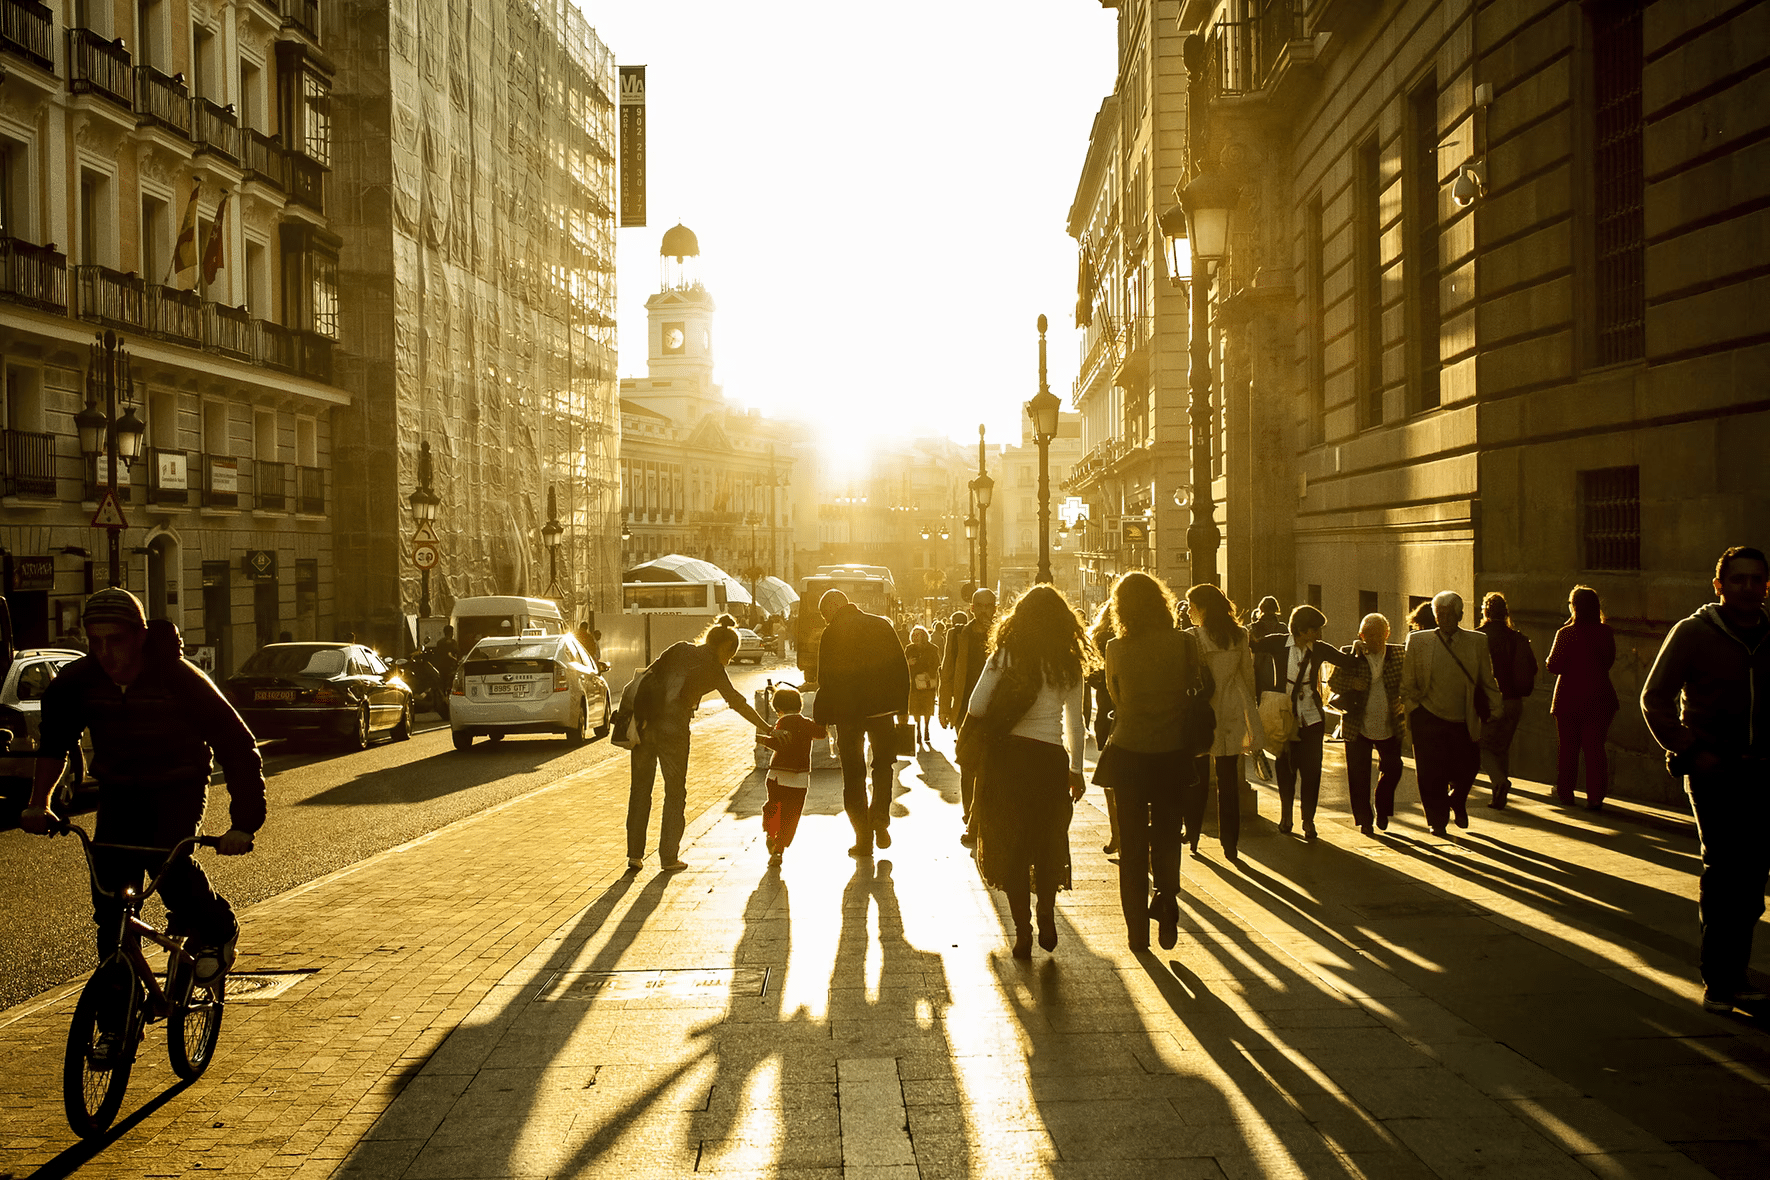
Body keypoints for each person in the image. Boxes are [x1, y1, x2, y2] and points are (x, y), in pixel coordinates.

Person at [20, 590, 262, 1035]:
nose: (105, 652)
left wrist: (243, 824)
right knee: (110, 904)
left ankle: (218, 928)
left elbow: (238, 748)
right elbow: (55, 745)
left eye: (115, 640)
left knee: (166, 860)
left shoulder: (179, 678)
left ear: (141, 636)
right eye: (95, 641)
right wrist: (40, 803)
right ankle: (114, 1019)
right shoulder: (77, 683)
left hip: (179, 783)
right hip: (119, 789)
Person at [1641, 545, 1770, 1013]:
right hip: (1715, 772)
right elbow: (1654, 699)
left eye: (1757, 580)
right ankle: (1720, 979)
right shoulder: (1693, 633)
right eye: (1739, 580)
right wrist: (1692, 750)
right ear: (1719, 586)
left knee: (1753, 880)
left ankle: (1736, 972)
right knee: (1724, 871)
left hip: (1764, 774)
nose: (1749, 588)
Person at [967, 584, 1091, 959]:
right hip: (1049, 761)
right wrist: (1075, 769)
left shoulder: (1005, 655)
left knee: (1013, 847)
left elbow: (975, 704)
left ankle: (1023, 930)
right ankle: (1047, 913)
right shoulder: (1068, 662)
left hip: (1008, 761)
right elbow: (1076, 725)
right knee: (1046, 842)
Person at [1096, 572, 1201, 951]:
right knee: (1168, 835)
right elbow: (1195, 690)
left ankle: (1136, 931)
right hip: (1172, 753)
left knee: (1133, 843)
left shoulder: (1115, 649)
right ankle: (1167, 899)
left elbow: (1116, 699)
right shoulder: (1185, 644)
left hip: (1129, 754)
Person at [625, 621, 771, 872]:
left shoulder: (679, 648)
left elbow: (647, 676)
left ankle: (634, 856)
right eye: (730, 655)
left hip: (645, 725)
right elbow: (737, 702)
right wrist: (766, 727)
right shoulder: (713, 668)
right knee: (675, 792)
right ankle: (668, 857)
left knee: (640, 790)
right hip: (674, 730)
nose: (729, 660)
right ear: (724, 647)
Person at [812, 590, 910, 857]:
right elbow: (901, 667)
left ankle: (862, 838)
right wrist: (903, 708)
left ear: (830, 610)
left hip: (849, 715)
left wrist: (822, 719)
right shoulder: (881, 624)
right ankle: (879, 815)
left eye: (824, 616)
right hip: (882, 712)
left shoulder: (832, 633)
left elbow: (826, 679)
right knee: (883, 765)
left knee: (853, 775)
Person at [1251, 605, 1359, 839]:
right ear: (1301, 629)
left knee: (1312, 770)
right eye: (1315, 629)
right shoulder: (1279, 643)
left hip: (1311, 717)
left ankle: (1308, 819)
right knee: (1285, 768)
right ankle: (1286, 815)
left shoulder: (1319, 649)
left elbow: (1347, 662)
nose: (1319, 634)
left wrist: (1360, 647)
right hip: (1285, 716)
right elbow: (1253, 644)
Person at [1400, 591, 1500, 837]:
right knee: (1430, 773)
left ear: (1460, 615)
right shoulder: (1418, 640)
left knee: (1469, 767)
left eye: (1448, 614)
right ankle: (1437, 820)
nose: (1443, 619)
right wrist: (1414, 708)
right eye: (1439, 614)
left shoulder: (1477, 641)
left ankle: (1456, 799)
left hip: (1462, 719)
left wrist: (1496, 706)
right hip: (1428, 716)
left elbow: (1486, 679)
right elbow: (1407, 682)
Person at [1184, 584, 1260, 860]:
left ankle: (1192, 834)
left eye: (1191, 605)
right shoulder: (1240, 635)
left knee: (1198, 777)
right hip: (1231, 709)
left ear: (1202, 608)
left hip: (1202, 712)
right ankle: (1231, 841)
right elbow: (1248, 678)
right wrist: (1249, 708)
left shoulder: (1193, 637)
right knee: (1228, 781)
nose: (1189, 611)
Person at [1326, 613, 1406, 834]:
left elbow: (1411, 678)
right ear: (1361, 635)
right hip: (1356, 724)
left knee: (1394, 768)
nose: (1375, 638)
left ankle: (1382, 805)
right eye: (1369, 634)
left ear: (1387, 633)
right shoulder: (1350, 654)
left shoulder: (1399, 653)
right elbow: (1333, 683)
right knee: (1358, 775)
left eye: (1379, 633)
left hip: (1390, 724)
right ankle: (1364, 819)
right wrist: (1353, 682)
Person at [1545, 585, 1618, 809]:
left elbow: (1553, 665)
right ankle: (1596, 796)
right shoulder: (1605, 632)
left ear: (1574, 607)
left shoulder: (1565, 633)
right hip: (1599, 697)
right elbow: (1609, 661)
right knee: (1595, 749)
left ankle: (1566, 792)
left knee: (1568, 748)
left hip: (1569, 699)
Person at [940, 590, 997, 833]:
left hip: (996, 711)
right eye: (980, 605)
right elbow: (947, 672)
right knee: (967, 765)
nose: (984, 610)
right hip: (966, 710)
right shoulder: (957, 635)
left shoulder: (1003, 634)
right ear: (972, 608)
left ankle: (985, 814)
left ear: (995, 608)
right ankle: (969, 815)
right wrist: (944, 707)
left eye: (989, 606)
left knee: (993, 766)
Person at [1477, 592, 1538, 809]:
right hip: (1514, 702)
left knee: (1481, 746)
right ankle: (1498, 796)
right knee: (1502, 748)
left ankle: (1499, 782)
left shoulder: (1478, 637)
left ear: (1484, 612)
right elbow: (1533, 668)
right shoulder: (1517, 638)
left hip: (1489, 702)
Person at [756, 686, 825, 866]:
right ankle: (779, 849)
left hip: (778, 775)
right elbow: (821, 733)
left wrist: (761, 739)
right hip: (800, 779)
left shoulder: (782, 723)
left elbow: (781, 744)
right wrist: (823, 719)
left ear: (777, 709)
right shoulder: (807, 723)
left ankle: (770, 831)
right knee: (791, 815)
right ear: (800, 705)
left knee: (773, 805)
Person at [1084, 602, 1120, 854]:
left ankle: (1117, 833)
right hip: (1134, 714)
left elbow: (1092, 677)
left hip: (1108, 716)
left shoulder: (1100, 639)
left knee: (1111, 778)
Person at [904, 626, 941, 746]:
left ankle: (926, 728)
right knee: (915, 708)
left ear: (924, 636)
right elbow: (904, 663)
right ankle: (918, 729)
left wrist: (928, 673)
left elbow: (937, 664)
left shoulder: (932, 648)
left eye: (917, 634)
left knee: (927, 707)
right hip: (914, 683)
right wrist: (909, 663)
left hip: (927, 682)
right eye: (913, 635)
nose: (915, 637)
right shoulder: (909, 649)